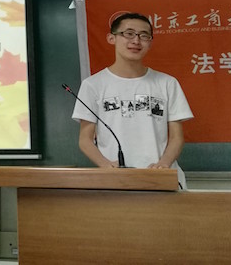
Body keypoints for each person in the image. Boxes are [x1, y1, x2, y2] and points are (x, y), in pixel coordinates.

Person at [72, 12, 194, 188]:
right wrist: (105, 165)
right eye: (128, 34)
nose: (136, 41)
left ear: (150, 42)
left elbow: (177, 137)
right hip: (116, 181)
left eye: (144, 36)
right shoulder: (93, 85)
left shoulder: (167, 83)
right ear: (111, 38)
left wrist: (163, 164)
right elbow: (85, 139)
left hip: (162, 178)